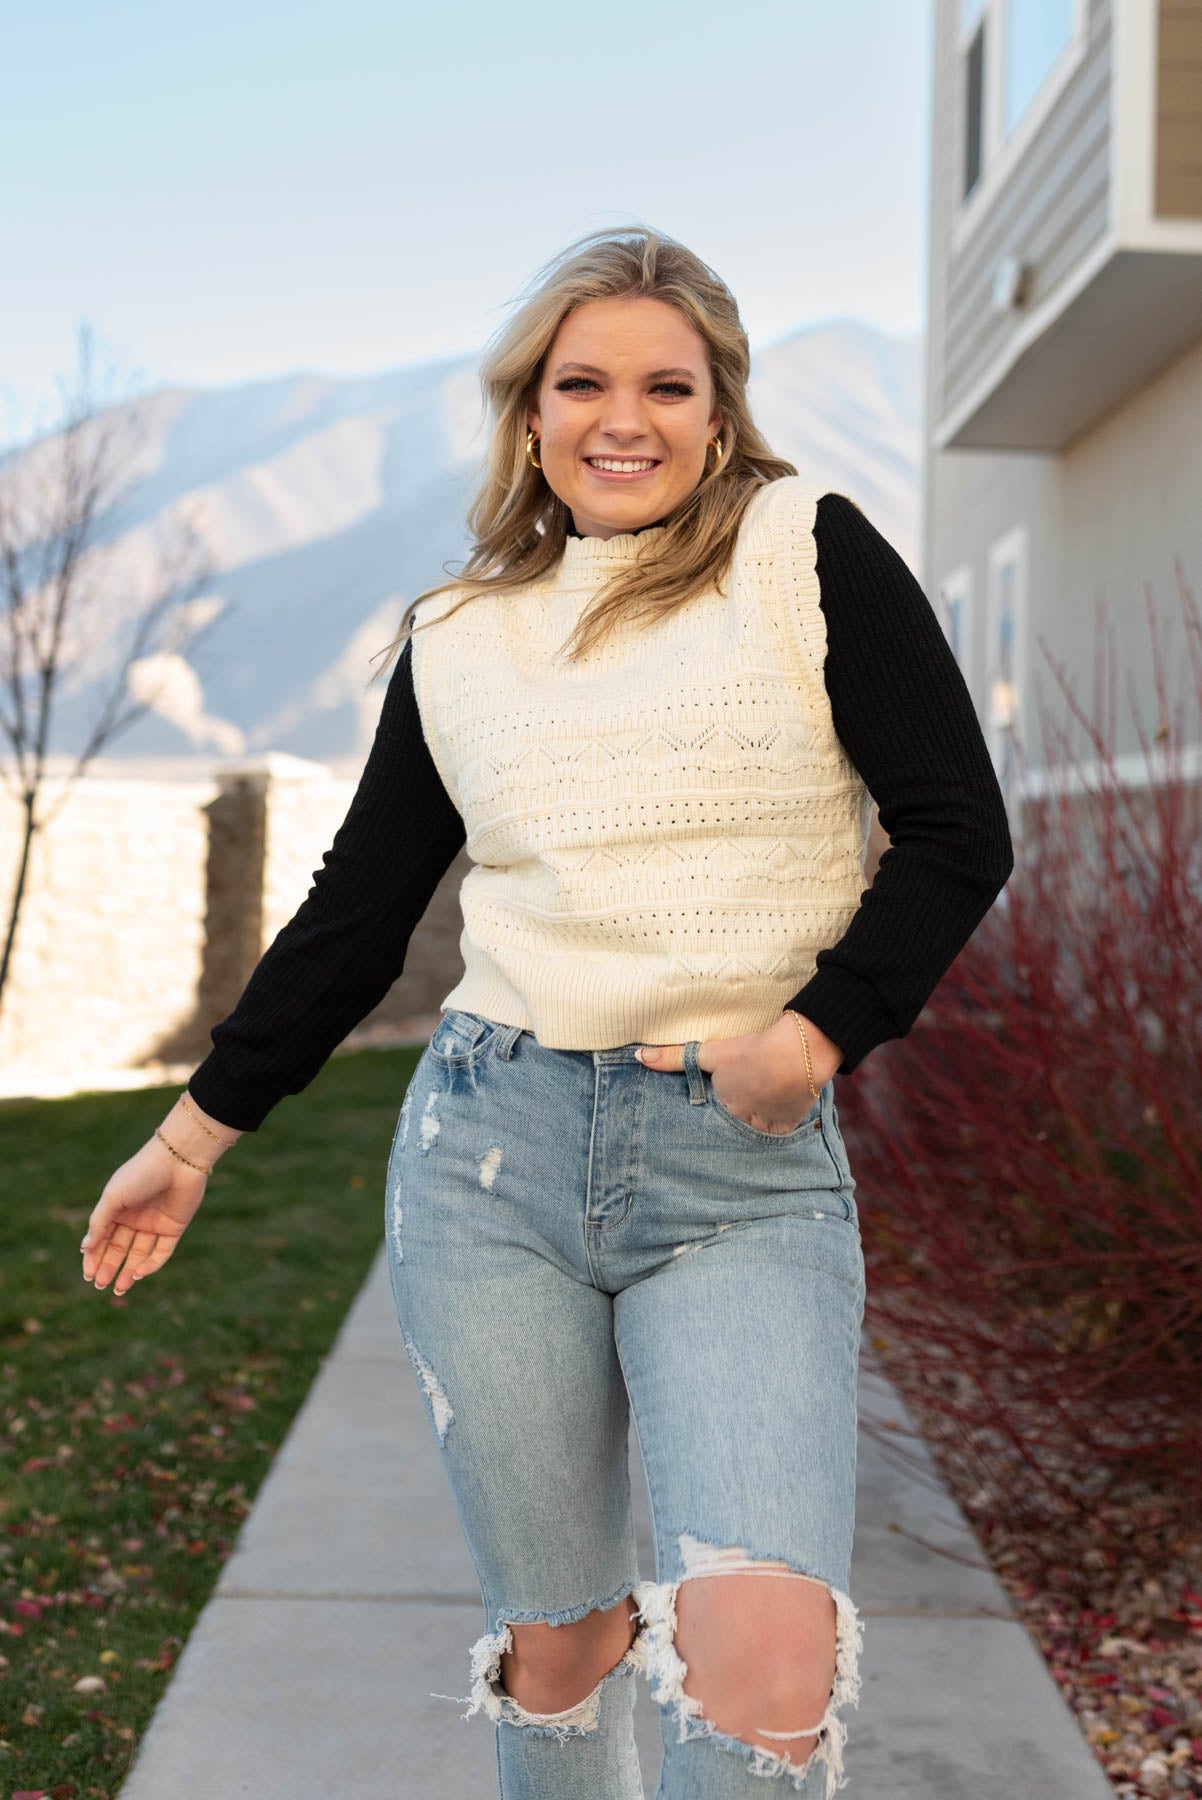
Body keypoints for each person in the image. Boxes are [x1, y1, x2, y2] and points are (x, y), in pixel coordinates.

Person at [80, 225, 1013, 1799]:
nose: (622, 418)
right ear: (530, 414)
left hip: (738, 1176)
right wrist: (192, 1136)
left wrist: (815, 1030)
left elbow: (954, 828)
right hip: (488, 1165)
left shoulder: (805, 551)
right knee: (561, 1643)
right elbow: (355, 918)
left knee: (764, 1672)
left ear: (720, 412)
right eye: (581, 382)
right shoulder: (460, 637)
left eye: (669, 383)